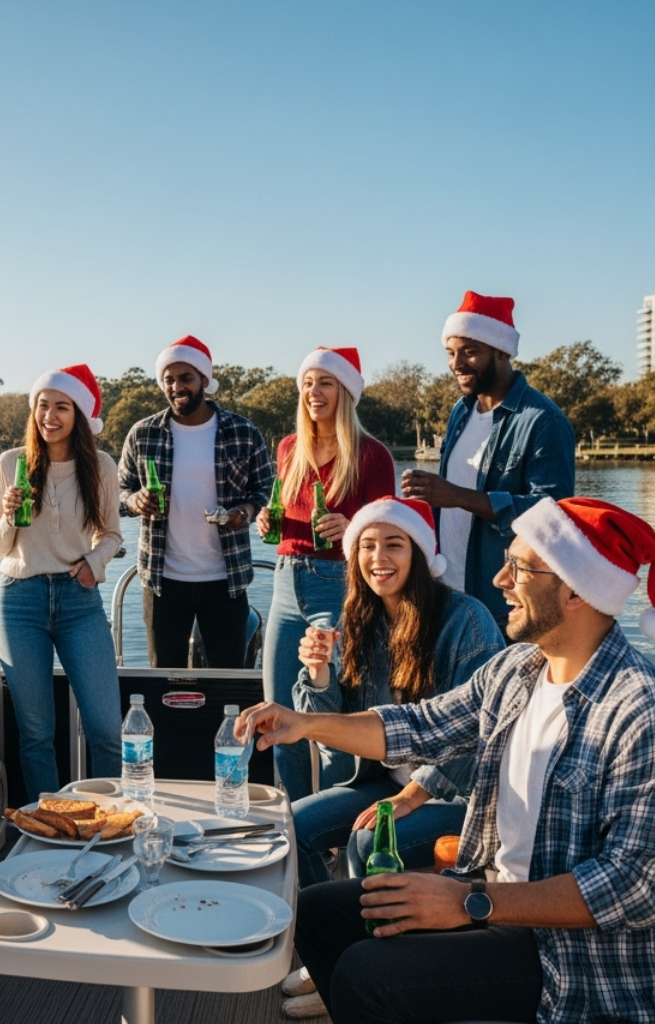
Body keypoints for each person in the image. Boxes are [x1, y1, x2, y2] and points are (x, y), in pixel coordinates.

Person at [241, 496, 655, 1024]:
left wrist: (469, 901)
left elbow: (633, 889)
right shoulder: (518, 671)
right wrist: (303, 721)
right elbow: (419, 726)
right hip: (495, 899)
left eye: (519, 567)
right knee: (319, 915)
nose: (499, 580)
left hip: (580, 962)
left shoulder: (653, 718)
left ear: (577, 590)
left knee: (367, 973)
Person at [279, 497, 501, 1018]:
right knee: (294, 828)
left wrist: (412, 793)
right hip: (381, 781)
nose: (379, 557)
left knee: (367, 840)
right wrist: (317, 674)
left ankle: (367, 969)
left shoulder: (465, 620)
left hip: (459, 791)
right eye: (367, 546)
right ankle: (333, 951)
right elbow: (337, 731)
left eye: (393, 545)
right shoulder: (359, 618)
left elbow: (482, 733)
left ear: (420, 555)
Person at [255, 347, 394, 800]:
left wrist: (353, 528)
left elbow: (391, 537)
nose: (314, 392)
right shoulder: (288, 449)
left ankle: (336, 834)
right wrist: (264, 521)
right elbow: (285, 517)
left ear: (345, 392)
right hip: (283, 583)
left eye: (326, 383)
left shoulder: (373, 456)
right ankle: (297, 830)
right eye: (308, 383)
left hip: (339, 586)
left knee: (333, 720)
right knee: (279, 715)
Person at [0, 364, 123, 797]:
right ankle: (50, 824)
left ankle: (109, 818)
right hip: (19, 601)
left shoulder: (100, 466)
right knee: (36, 732)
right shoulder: (11, 464)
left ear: (78, 415)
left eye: (61, 407)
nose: (49, 416)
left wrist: (92, 564)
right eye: (43, 406)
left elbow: (112, 535)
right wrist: (9, 515)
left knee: (105, 727)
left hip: (78, 600)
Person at [400, 291, 575, 633]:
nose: (456, 363)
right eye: (451, 353)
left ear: (502, 351)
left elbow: (552, 514)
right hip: (443, 591)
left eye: (470, 352)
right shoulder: (461, 411)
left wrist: (457, 496)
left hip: (499, 600)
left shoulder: (542, 420)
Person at [118, 335, 273, 668]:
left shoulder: (243, 431)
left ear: (205, 380)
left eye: (185, 378)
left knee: (227, 683)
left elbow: (265, 488)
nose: (176, 387)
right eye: (169, 380)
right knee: (164, 682)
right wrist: (135, 501)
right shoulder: (143, 433)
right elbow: (117, 494)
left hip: (225, 580)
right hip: (163, 582)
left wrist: (243, 513)